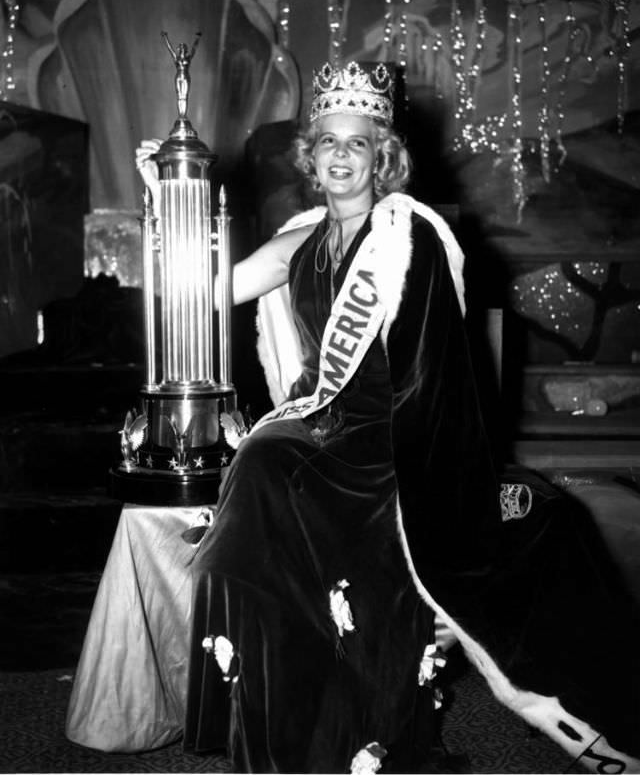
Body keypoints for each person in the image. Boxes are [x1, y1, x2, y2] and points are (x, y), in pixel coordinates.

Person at [136, 61, 640, 774]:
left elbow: (434, 378)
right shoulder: (303, 239)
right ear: (310, 158)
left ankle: (364, 725)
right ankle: (292, 718)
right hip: (318, 434)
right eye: (329, 144)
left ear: (383, 158)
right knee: (255, 484)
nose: (341, 156)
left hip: (388, 442)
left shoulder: (409, 238)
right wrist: (170, 200)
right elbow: (203, 292)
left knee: (265, 462)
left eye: (359, 144)